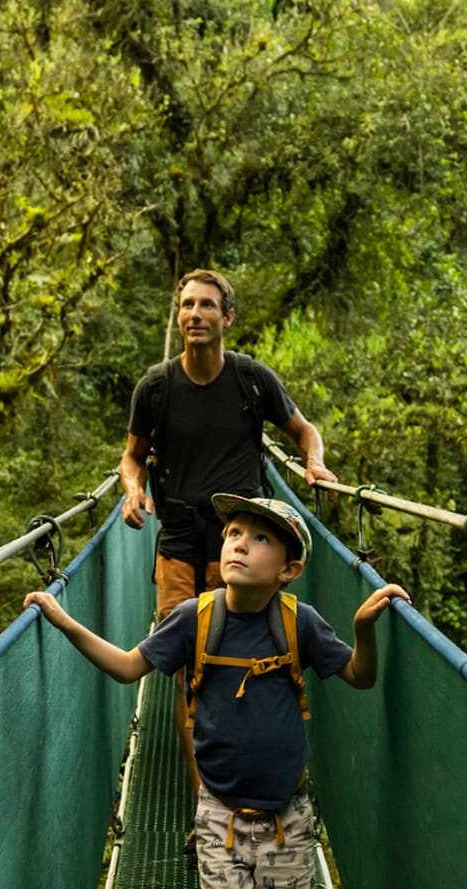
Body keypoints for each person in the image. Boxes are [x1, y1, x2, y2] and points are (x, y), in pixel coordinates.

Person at [25, 495, 405, 889]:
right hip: (219, 812)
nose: (238, 544)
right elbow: (127, 668)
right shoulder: (192, 619)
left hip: (286, 812)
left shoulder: (299, 622)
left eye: (259, 539)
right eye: (233, 533)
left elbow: (360, 679)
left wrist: (364, 628)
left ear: (288, 568)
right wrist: (64, 621)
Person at [120, 269, 339, 800]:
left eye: (207, 306)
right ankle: (206, 803)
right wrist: (133, 489)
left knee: (231, 666)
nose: (195, 314)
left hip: (240, 543)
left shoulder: (250, 380)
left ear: (227, 317)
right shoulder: (155, 386)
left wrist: (314, 463)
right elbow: (132, 456)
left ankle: (248, 783)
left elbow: (304, 430)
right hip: (177, 541)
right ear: (179, 315)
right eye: (187, 305)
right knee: (184, 665)